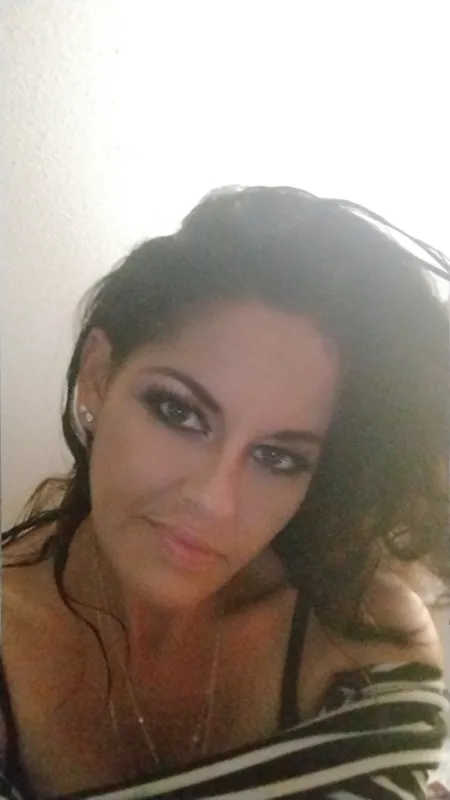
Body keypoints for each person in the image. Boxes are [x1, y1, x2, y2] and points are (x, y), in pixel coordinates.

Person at [1, 186, 449, 800]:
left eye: (277, 456)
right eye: (178, 412)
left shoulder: (363, 637)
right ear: (98, 376)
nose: (214, 500)